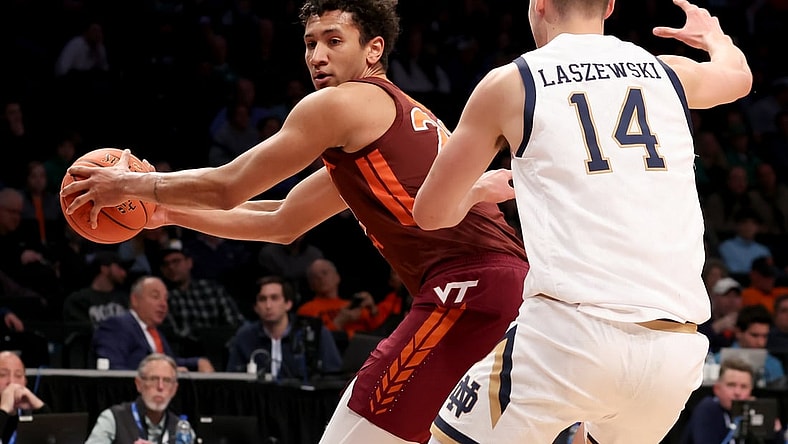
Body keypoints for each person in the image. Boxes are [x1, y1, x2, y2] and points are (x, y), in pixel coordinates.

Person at [60, 0, 529, 442]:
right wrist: (165, 213)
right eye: (309, 44)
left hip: (468, 290)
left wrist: (129, 187)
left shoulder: (343, 104)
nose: (317, 56)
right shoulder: (381, 126)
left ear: (374, 48)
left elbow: (230, 184)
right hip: (507, 292)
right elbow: (283, 220)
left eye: (333, 41)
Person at [411, 0, 752, 442]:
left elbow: (431, 213)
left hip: (572, 334)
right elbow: (739, 79)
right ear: (610, 5)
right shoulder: (665, 71)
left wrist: (480, 191)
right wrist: (714, 38)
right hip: (675, 348)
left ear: (538, 5)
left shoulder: (513, 82)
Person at [226, 275, 342, 379]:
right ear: (255, 307)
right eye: (262, 299)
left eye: (274, 298)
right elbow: (232, 378)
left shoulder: (315, 332)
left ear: (288, 304)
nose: (268, 305)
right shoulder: (245, 336)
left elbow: (334, 376)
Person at [92, 275, 215, 372]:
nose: (163, 304)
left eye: (165, 299)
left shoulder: (154, 332)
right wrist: (156, 375)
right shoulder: (117, 326)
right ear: (135, 300)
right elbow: (112, 370)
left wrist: (198, 362)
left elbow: (168, 362)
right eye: (155, 297)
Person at [84, 353, 193, 444]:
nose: (160, 387)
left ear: (174, 389)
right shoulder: (113, 418)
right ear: (139, 384)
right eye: (154, 379)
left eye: (167, 380)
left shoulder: (182, 430)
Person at [679, 357, 782, 444]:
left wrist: (775, 430)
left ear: (751, 391)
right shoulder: (708, 408)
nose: (737, 392)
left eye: (744, 386)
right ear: (717, 389)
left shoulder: (754, 413)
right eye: (731, 385)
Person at [157, 239, 246, 337]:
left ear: (189, 262)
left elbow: (235, 320)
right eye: (166, 264)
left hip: (221, 344)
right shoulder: (162, 296)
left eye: (176, 261)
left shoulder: (212, 288)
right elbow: (171, 333)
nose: (171, 267)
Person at [713, 303, 785, 386]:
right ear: (738, 332)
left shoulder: (774, 364)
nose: (761, 342)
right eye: (755, 335)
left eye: (765, 336)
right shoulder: (717, 361)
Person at [62, 250, 129, 328]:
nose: (124, 273)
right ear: (104, 269)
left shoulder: (125, 299)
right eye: (119, 267)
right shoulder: (78, 300)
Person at [0, 351, 50, 443]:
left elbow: (54, 436)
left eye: (18, 375)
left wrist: (39, 407)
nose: (11, 382)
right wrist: (4, 409)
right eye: (2, 375)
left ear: (25, 382)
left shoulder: (26, 413)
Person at [699, 277, 743, 353]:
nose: (732, 301)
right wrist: (715, 328)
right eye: (727, 295)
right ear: (714, 297)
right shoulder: (702, 319)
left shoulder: (745, 322)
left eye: (736, 296)